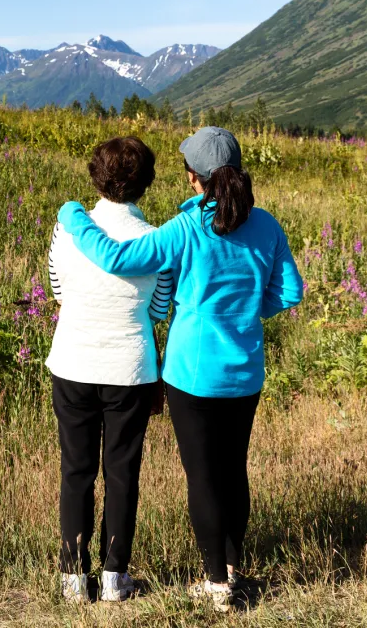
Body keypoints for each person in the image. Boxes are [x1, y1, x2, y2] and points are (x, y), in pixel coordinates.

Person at [56, 126, 303, 612]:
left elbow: (118, 257)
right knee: (234, 471)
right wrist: (248, 312)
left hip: (191, 372)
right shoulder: (267, 225)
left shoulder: (187, 228)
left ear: (194, 176)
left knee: (203, 477)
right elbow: (290, 292)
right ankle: (231, 569)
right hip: (246, 369)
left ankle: (216, 585)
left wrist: (73, 216)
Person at [45, 136, 173, 604]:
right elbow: (159, 308)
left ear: (95, 178)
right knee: (122, 472)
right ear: (146, 184)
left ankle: (74, 579)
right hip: (131, 367)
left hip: (73, 360)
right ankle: (116, 576)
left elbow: (57, 287)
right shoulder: (157, 239)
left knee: (75, 470)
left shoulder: (69, 229)